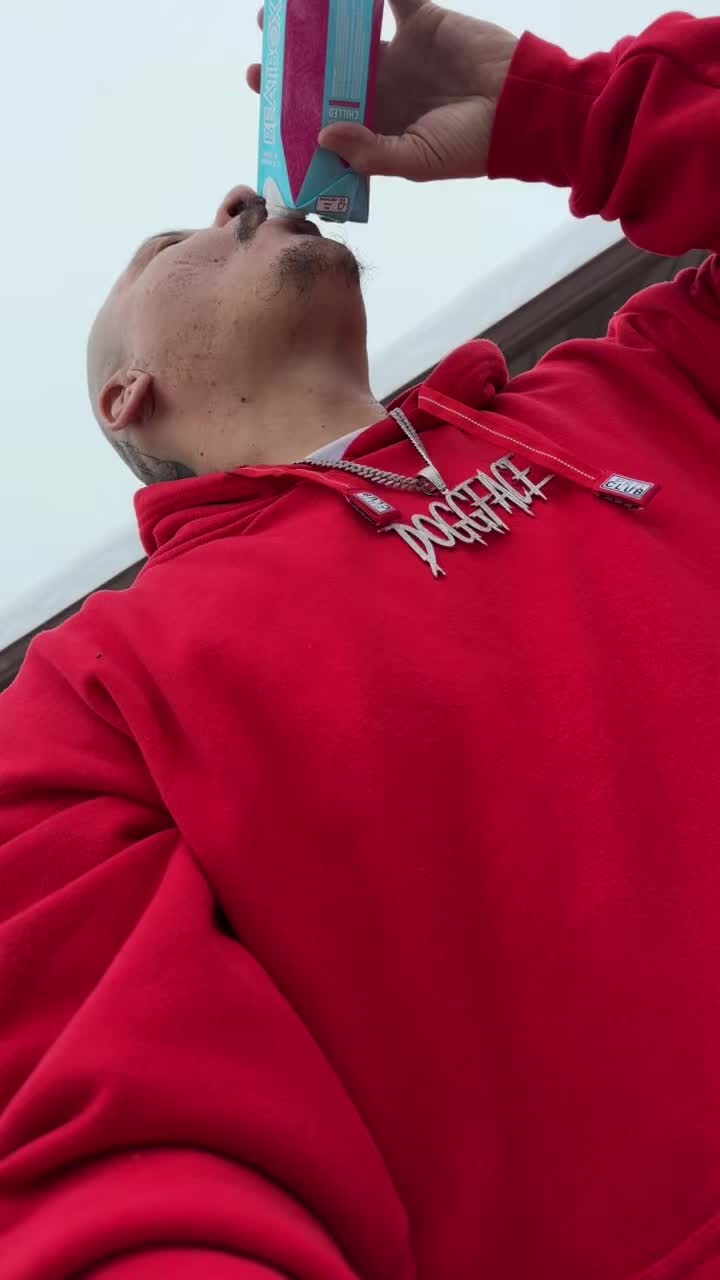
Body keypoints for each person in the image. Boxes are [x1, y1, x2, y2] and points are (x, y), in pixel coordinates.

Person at [1, 2, 719, 1275]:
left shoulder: (645, 383)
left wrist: (568, 113)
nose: (238, 196)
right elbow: (125, 1157)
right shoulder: (86, 698)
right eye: (167, 244)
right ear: (127, 396)